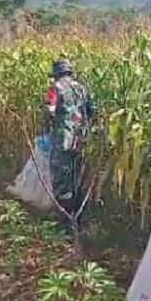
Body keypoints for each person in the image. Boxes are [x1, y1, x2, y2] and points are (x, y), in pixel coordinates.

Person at [43, 58, 94, 215]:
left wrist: (47, 127)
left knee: (60, 177)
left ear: (56, 73)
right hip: (80, 139)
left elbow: (49, 111)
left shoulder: (55, 88)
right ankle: (78, 215)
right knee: (76, 176)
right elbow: (91, 110)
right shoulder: (82, 88)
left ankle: (64, 215)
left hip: (63, 139)